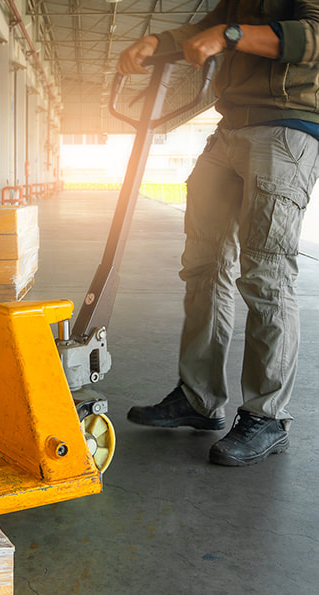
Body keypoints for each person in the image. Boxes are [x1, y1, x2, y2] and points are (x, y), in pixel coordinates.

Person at [117, 0, 319, 466]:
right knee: (204, 266)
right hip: (231, 129)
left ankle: (267, 417)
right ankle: (199, 398)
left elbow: (311, 36)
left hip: (287, 128)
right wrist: (157, 42)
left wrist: (231, 36)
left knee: (266, 274)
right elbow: (204, 28)